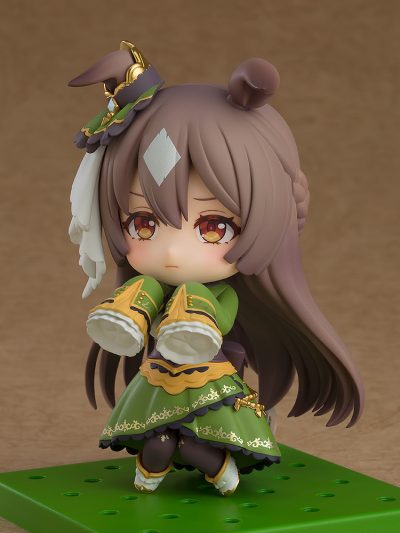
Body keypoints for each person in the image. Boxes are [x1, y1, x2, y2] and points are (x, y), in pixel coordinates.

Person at [68, 41, 363, 495]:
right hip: (160, 379)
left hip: (211, 383)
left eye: (212, 227)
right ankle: (153, 471)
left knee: (199, 444)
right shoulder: (149, 287)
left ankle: (220, 470)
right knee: (157, 443)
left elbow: (220, 319)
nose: (172, 251)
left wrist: (192, 324)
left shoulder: (219, 295)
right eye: (143, 223)